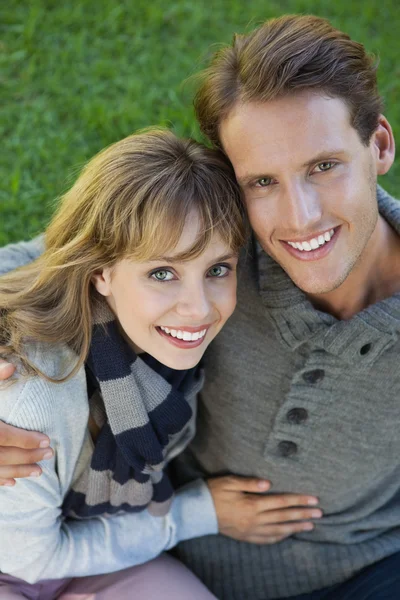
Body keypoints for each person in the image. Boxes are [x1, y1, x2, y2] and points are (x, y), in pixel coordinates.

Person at [1, 13, 400, 600]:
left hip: (363, 572)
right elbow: (54, 259)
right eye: (261, 181)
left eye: (324, 166)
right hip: (159, 541)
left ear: (380, 145)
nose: (300, 217)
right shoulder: (215, 243)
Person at [0, 128, 322, 600]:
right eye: (163, 273)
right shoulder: (32, 394)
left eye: (217, 269)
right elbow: (30, 559)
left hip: (88, 548)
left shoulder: (158, 353)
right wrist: (197, 513)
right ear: (100, 274)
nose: (199, 308)